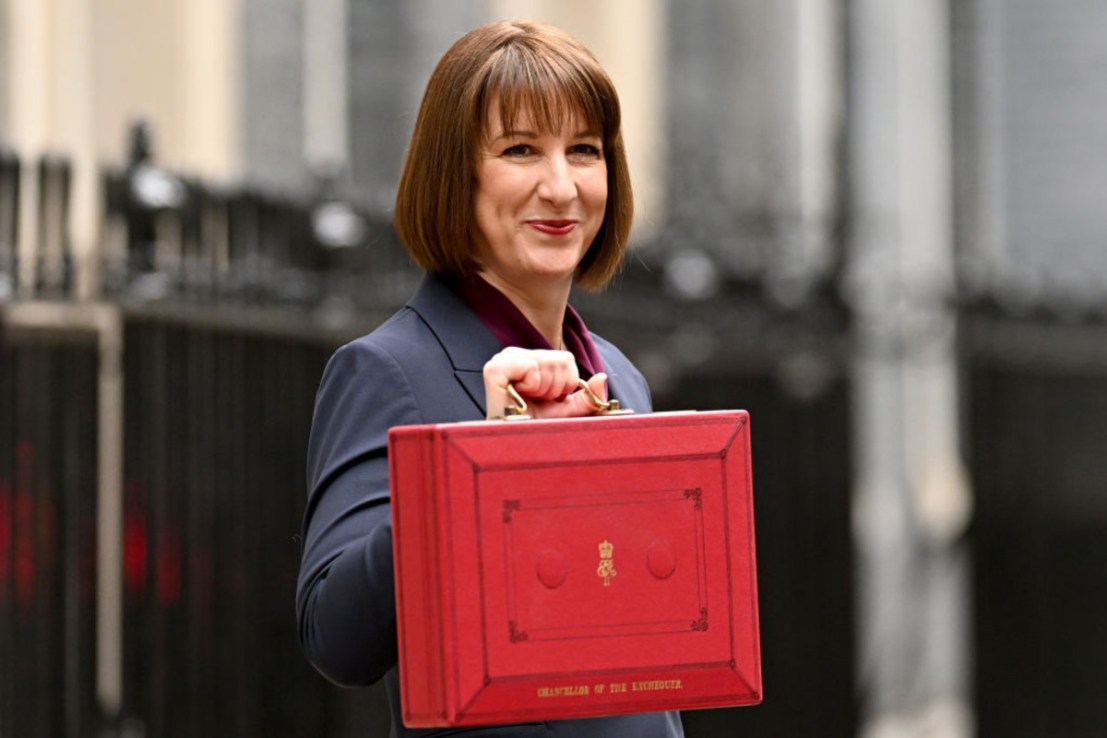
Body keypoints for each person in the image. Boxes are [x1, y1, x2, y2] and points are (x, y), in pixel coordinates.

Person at [296, 20, 684, 738]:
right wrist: (485, 462)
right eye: (520, 150)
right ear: (455, 174)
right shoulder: (386, 370)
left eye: (584, 151)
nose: (561, 186)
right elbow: (335, 637)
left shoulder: (619, 374)